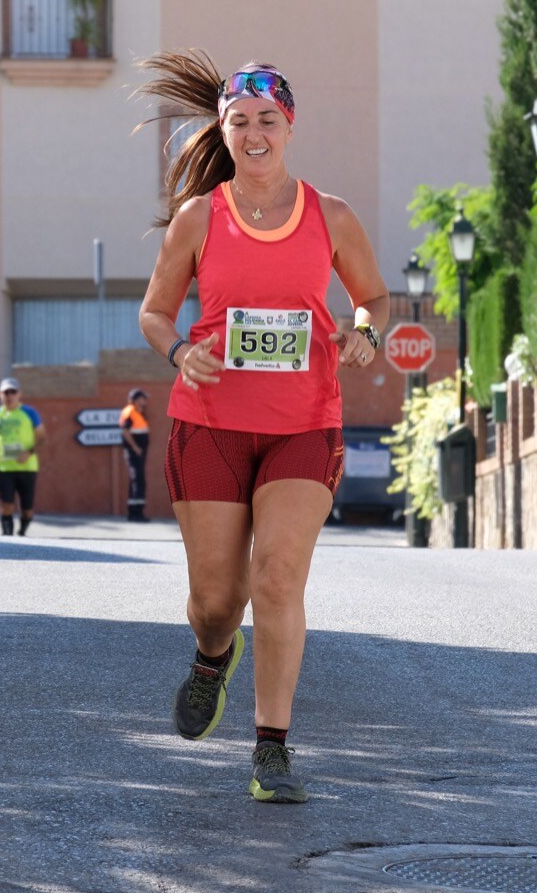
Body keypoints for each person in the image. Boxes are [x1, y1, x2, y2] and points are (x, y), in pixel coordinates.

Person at [135, 53, 390, 804]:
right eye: (239, 121)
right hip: (209, 424)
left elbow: (374, 296)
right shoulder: (198, 219)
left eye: (266, 121)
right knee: (217, 602)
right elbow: (153, 311)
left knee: (277, 579)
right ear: (224, 128)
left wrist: (365, 334)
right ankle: (213, 657)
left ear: (289, 126)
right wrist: (181, 351)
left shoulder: (330, 216)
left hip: (303, 427)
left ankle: (271, 748)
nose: (253, 133)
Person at [0, 377, 46, 536]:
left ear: (19, 394)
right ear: (0, 394)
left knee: (27, 510)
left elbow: (42, 437)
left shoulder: (29, 413)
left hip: (27, 467)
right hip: (5, 468)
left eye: (13, 392)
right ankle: (7, 539)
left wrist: (29, 452)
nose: (9, 395)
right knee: (6, 505)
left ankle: (22, 531)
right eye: (6, 392)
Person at [119, 388, 151, 523]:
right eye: (143, 398)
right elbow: (125, 432)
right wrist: (135, 447)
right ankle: (135, 513)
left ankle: (138, 511)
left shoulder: (137, 412)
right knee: (137, 480)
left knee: (139, 480)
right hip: (134, 453)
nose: (145, 401)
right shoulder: (130, 411)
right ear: (137, 399)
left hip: (139, 453)